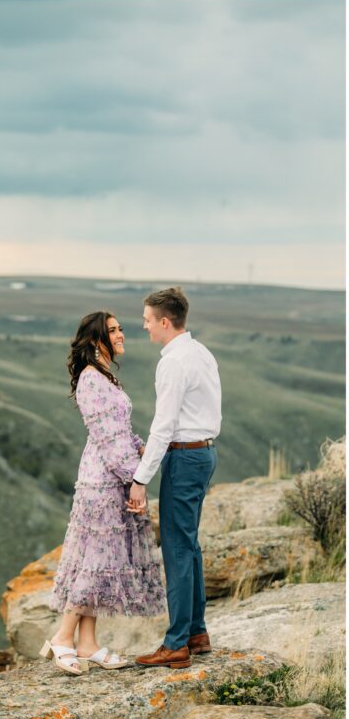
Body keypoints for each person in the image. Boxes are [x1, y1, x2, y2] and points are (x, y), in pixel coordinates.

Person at [44, 311, 165, 675]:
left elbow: (120, 431)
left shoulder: (103, 377)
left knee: (100, 557)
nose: (121, 334)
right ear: (96, 339)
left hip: (110, 473)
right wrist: (136, 480)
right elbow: (108, 439)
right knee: (96, 561)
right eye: (113, 331)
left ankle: (87, 642)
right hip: (103, 480)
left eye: (120, 328)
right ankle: (63, 637)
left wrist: (141, 448)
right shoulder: (91, 380)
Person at [128, 287, 222, 670]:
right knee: (190, 544)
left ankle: (176, 643)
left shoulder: (172, 362)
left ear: (165, 322)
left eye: (148, 320)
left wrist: (140, 479)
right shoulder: (200, 352)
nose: (145, 326)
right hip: (204, 452)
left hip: (184, 458)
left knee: (178, 548)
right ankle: (197, 632)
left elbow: (163, 425)